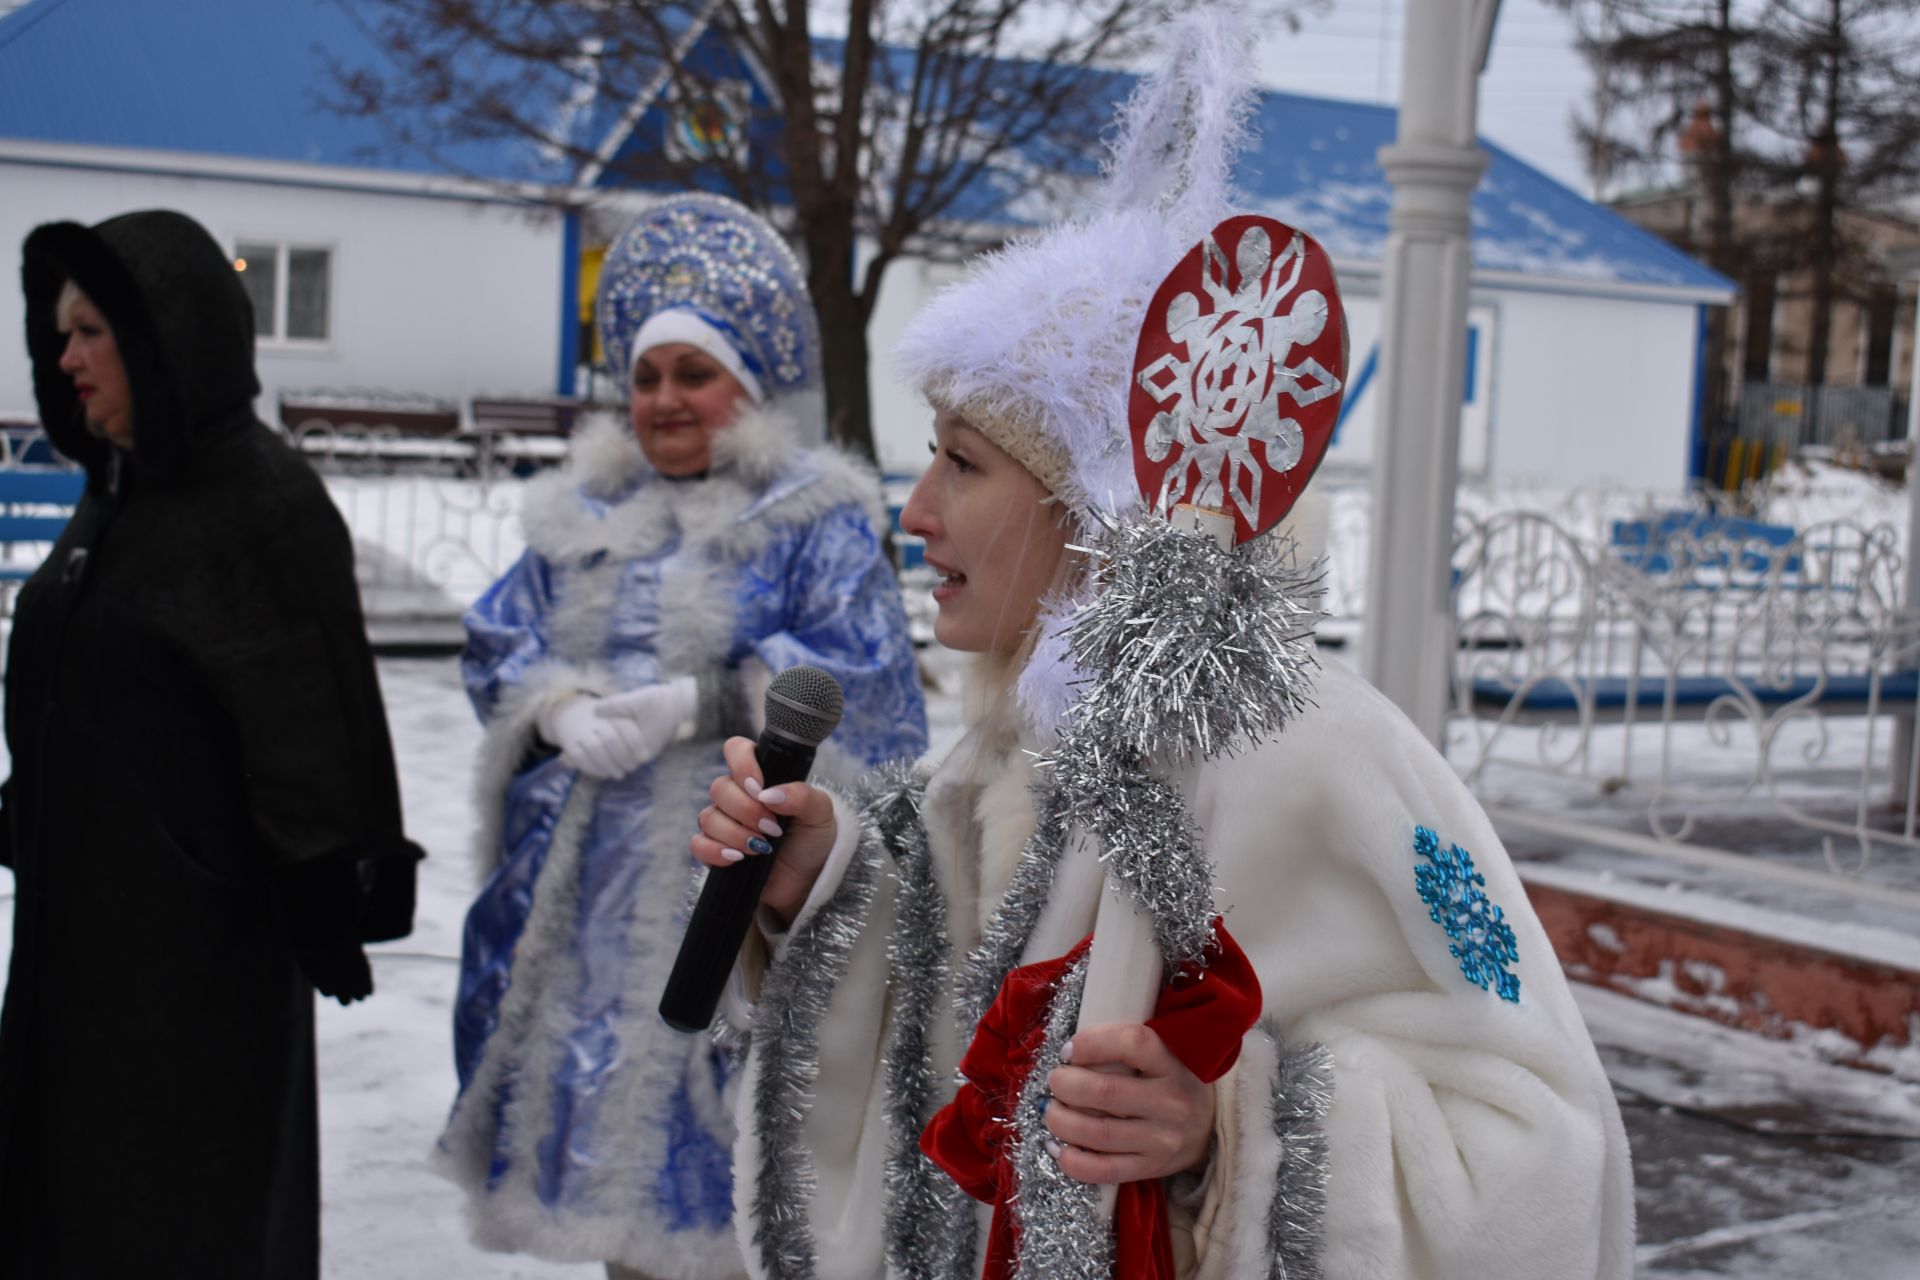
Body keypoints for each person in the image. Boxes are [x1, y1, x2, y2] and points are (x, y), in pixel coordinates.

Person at [691, 14, 1636, 1279]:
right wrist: (824, 879)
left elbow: (1545, 1148)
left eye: (963, 464)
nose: (914, 512)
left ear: (1096, 516)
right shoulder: (1011, 757)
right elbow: (952, 1025)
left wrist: (1225, 1135)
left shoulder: (1311, 752)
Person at [435, 193, 929, 1280]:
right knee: (623, 1210)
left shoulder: (813, 513)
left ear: (744, 384)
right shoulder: (579, 514)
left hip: (735, 901)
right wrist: (557, 707)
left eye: (692, 374)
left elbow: (870, 679)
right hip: (593, 917)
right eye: (648, 375)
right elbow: (496, 640)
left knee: (738, 1198)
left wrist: (702, 702)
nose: (664, 399)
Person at [0, 209, 423, 1276]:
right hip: (77, 941)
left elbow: (309, 714)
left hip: (191, 969)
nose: (67, 355)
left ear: (166, 332)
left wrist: (327, 886)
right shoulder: (119, 491)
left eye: (93, 328)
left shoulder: (258, 499)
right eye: (60, 331)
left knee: (181, 1216)